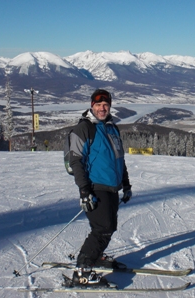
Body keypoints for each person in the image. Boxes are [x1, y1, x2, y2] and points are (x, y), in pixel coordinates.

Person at [67, 89, 132, 286]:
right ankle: (83, 270)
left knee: (108, 226)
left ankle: (95, 257)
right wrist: (84, 190)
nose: (102, 108)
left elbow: (119, 159)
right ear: (92, 106)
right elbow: (76, 161)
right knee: (103, 228)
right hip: (96, 187)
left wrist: (126, 185)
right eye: (98, 105)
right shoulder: (85, 129)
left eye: (106, 105)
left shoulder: (112, 128)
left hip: (112, 187)